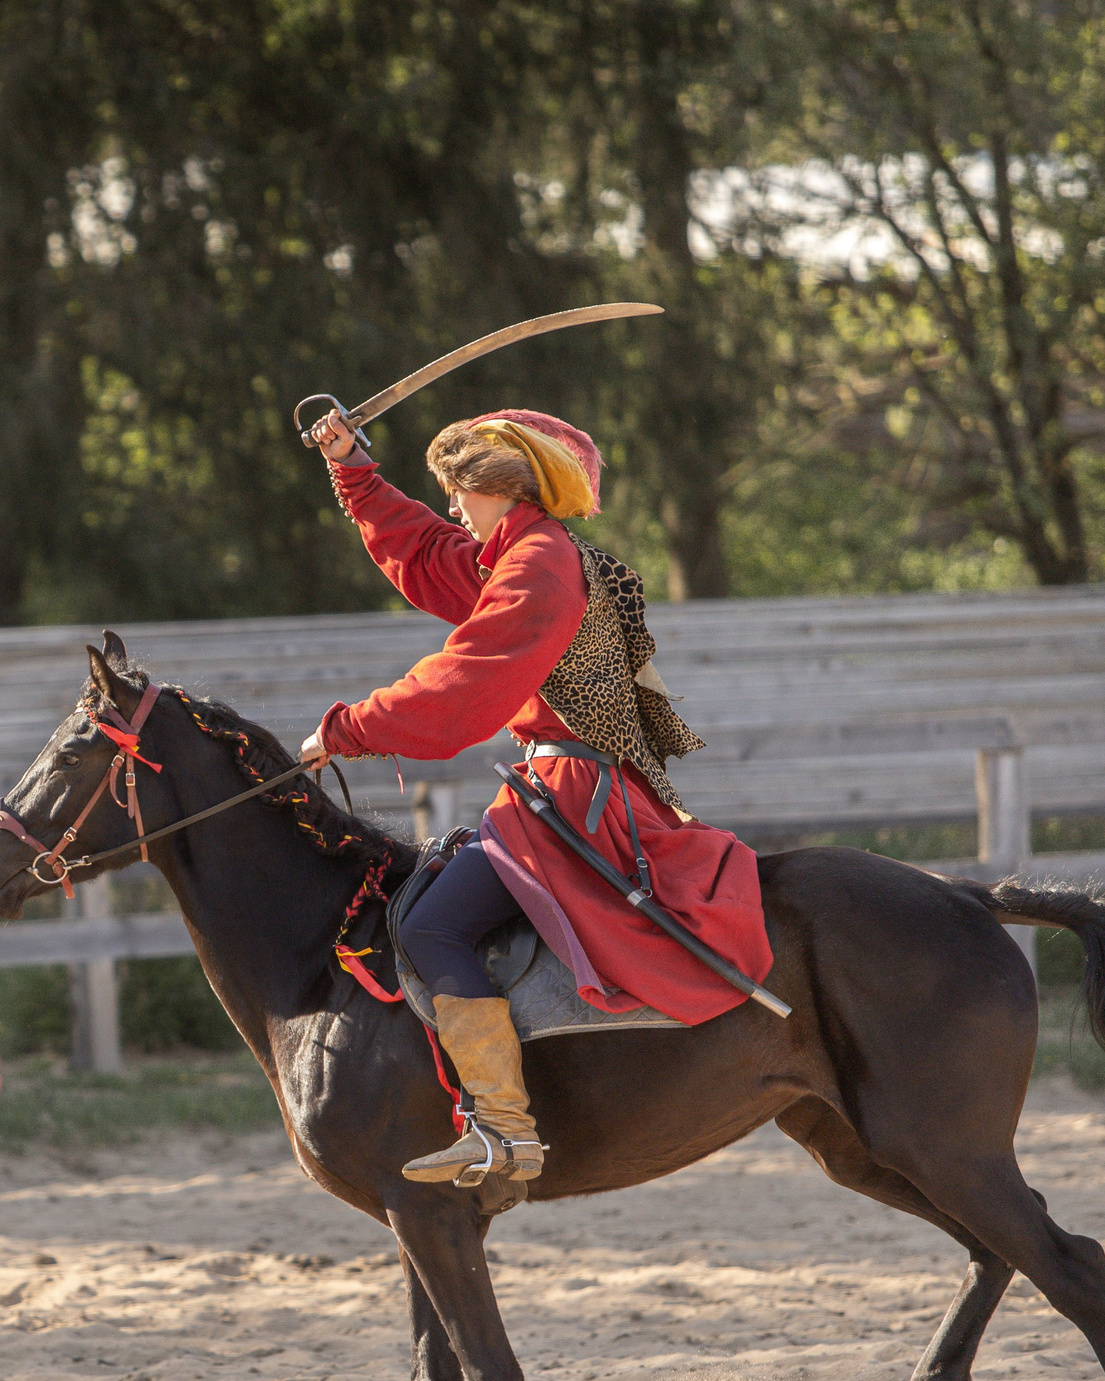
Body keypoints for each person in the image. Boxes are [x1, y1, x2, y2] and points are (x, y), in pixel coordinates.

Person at [301, 406, 772, 1186]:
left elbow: (467, 684)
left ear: (495, 482)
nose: (452, 505)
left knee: (429, 922)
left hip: (578, 793)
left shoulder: (540, 564)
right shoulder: (522, 553)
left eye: (458, 487)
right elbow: (426, 552)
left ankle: (507, 1129)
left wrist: (349, 727)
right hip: (564, 785)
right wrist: (353, 468)